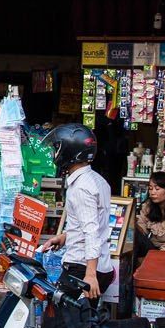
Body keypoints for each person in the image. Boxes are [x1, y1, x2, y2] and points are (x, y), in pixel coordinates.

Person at [39, 123, 114, 301]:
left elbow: (91, 231)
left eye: (56, 148)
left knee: (56, 325)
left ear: (69, 151)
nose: (53, 153)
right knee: (83, 323)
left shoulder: (81, 188)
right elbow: (93, 221)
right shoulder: (97, 180)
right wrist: (65, 237)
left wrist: (89, 275)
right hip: (98, 265)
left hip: (81, 267)